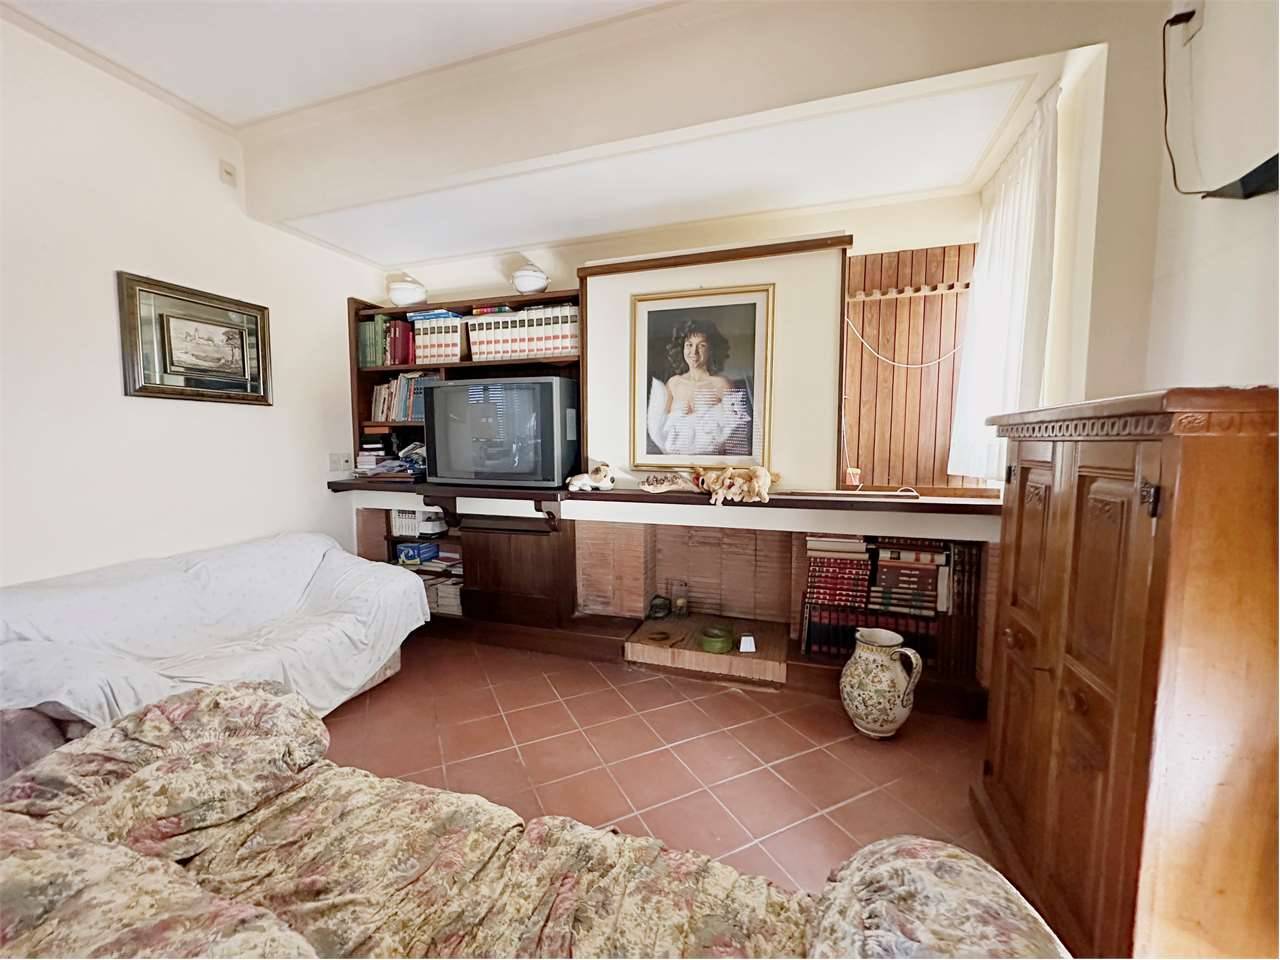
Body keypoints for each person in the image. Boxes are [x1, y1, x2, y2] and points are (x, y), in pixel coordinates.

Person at [647, 316, 751, 456]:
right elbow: (659, 430)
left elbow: (738, 433)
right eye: (689, 345)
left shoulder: (721, 384)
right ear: (681, 347)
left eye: (701, 345)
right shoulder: (673, 383)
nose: (694, 352)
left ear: (711, 349)